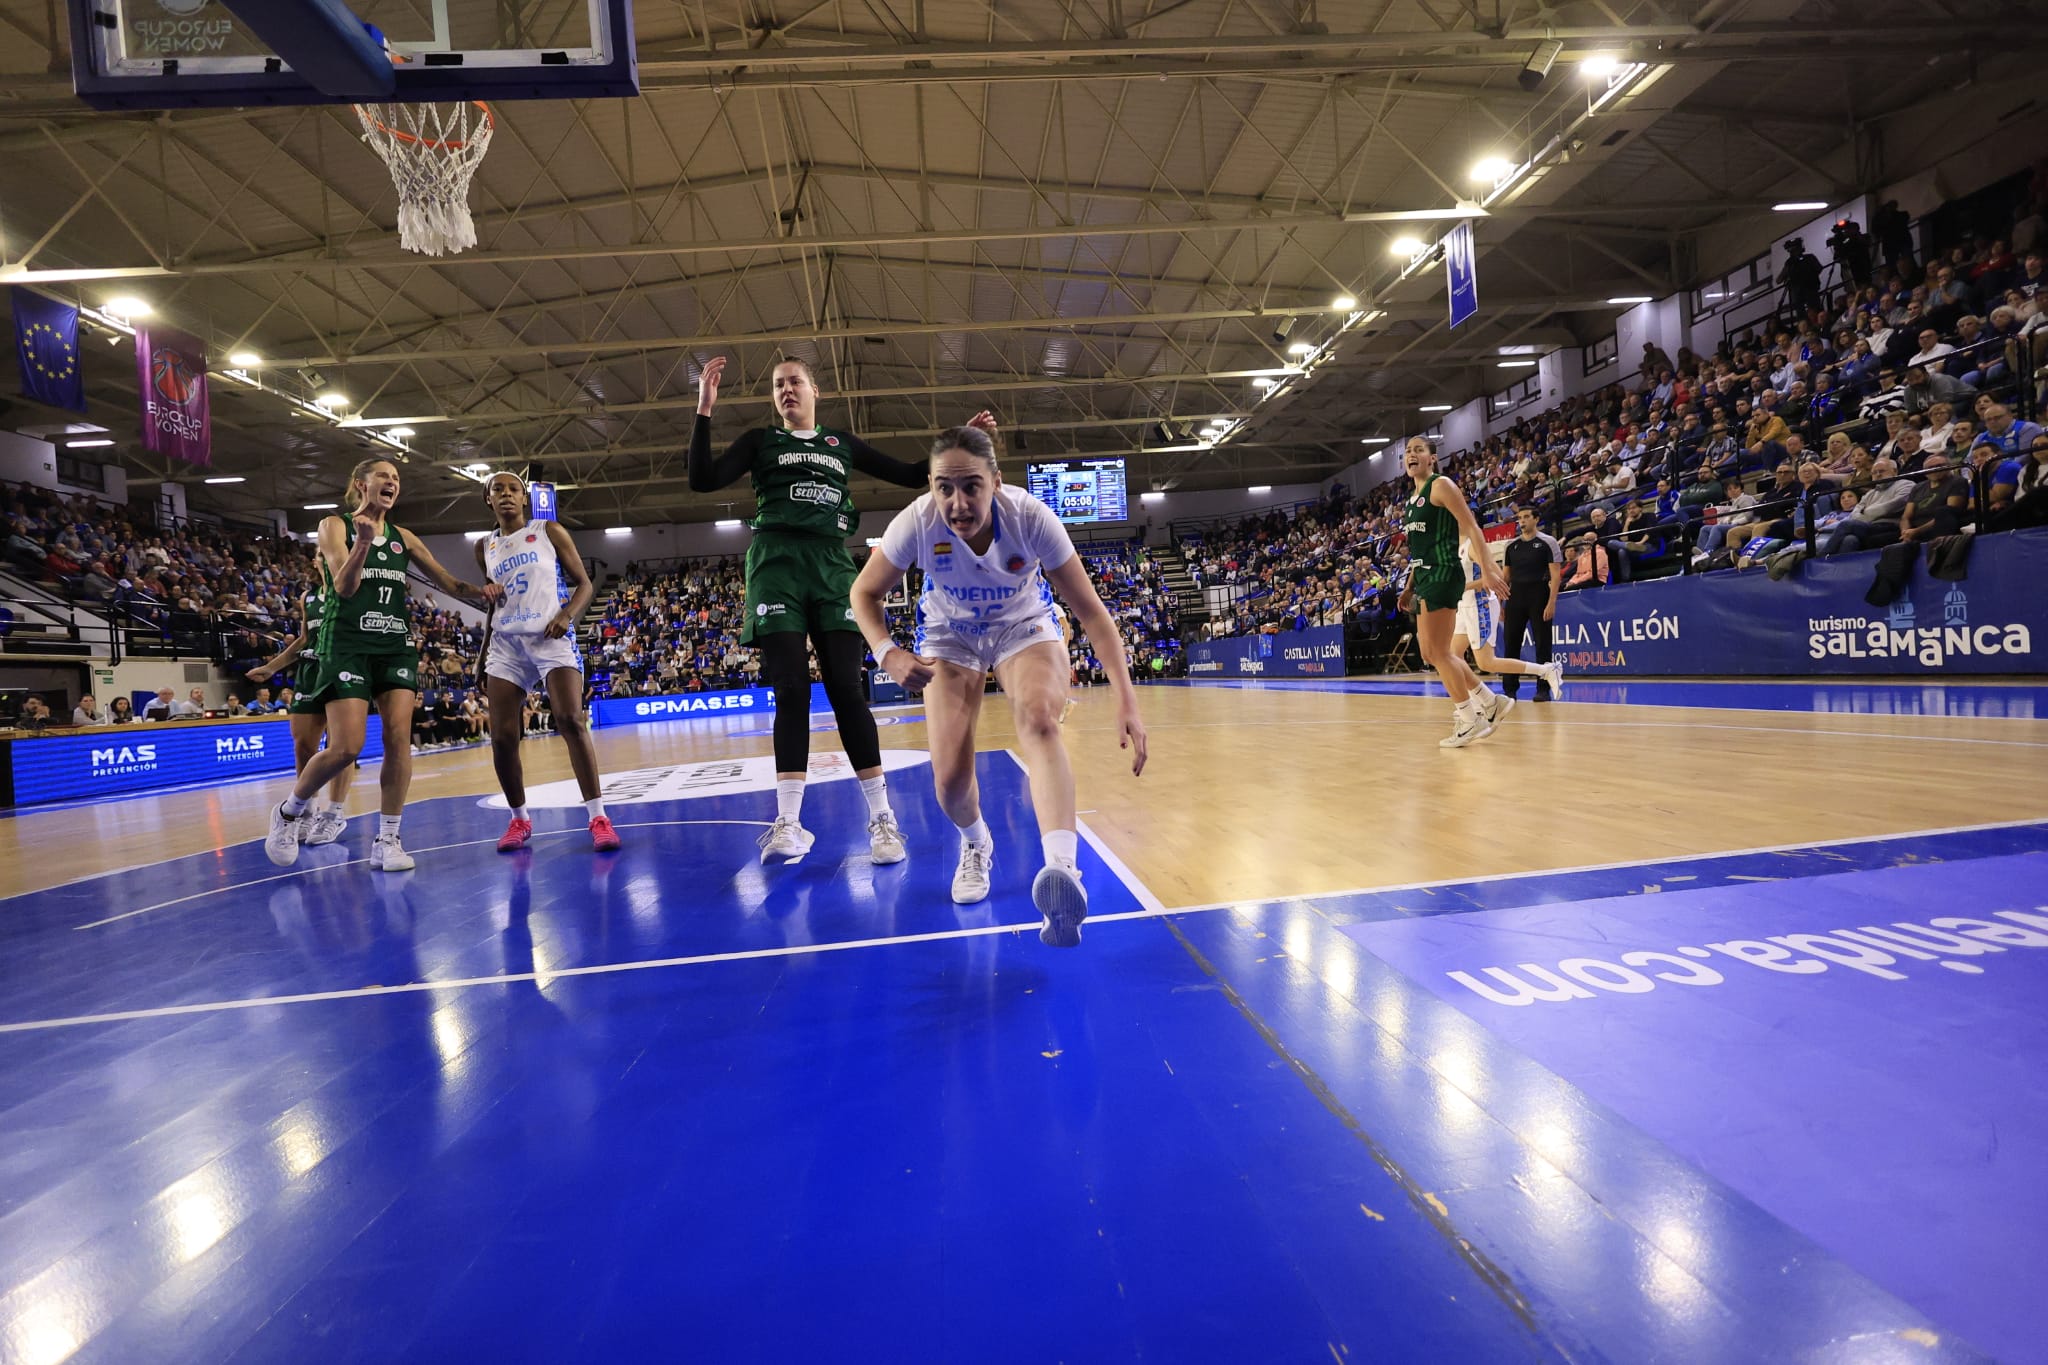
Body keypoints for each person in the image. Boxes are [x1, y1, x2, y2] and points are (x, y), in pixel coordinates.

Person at [849, 424, 1147, 945]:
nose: (957, 502)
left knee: (1038, 719)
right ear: (931, 486)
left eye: (971, 487)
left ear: (996, 482)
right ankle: (977, 842)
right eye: (944, 487)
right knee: (948, 783)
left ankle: (1062, 872)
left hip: (1023, 625)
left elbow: (1093, 615)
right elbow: (863, 593)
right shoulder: (914, 523)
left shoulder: (1031, 517)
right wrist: (887, 652)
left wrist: (1127, 697)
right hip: (949, 635)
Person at [691, 352, 992, 865]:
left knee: (847, 691)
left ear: (815, 392)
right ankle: (788, 821)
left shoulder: (841, 444)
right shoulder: (760, 442)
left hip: (831, 565)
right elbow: (702, 479)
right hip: (775, 563)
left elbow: (908, 473)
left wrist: (959, 440)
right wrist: (704, 410)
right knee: (789, 689)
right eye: (778, 385)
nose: (787, 390)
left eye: (795, 382)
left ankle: (883, 821)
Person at [265, 457, 501, 870]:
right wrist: (362, 542)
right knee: (345, 749)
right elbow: (344, 585)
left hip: (394, 645)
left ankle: (388, 839)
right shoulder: (334, 525)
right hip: (348, 645)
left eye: (396, 478)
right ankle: (289, 812)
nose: (392, 483)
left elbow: (449, 582)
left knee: (398, 738)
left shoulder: (404, 537)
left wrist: (484, 590)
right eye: (384, 476)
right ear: (361, 484)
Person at [476, 471, 619, 854]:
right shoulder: (484, 546)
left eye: (513, 490)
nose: (506, 495)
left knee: (570, 719)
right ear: (488, 500)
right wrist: (481, 656)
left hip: (551, 637)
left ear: (524, 499)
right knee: (503, 738)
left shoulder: (548, 530)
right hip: (506, 645)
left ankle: (598, 817)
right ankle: (519, 820)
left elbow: (584, 583)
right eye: (498, 490)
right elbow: (494, 606)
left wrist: (567, 615)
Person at [1395, 437, 1512, 749]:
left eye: (1419, 449)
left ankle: (1469, 717)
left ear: (1432, 458)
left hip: (1443, 572)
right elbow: (1417, 550)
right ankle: (1489, 702)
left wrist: (1487, 569)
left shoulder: (1441, 484)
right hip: (1424, 576)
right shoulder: (1412, 500)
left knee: (1439, 652)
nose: (1411, 455)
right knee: (1432, 652)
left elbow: (1472, 527)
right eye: (1408, 451)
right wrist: (1408, 586)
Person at [248, 587, 355, 847]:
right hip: (310, 670)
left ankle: (334, 813)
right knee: (303, 745)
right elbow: (305, 638)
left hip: (343, 666)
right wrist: (272, 667)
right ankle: (308, 810)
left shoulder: (356, 586)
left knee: (341, 746)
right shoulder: (309, 596)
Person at [1449, 536, 1564, 708]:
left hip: (1480, 605)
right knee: (1452, 656)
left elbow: (1497, 576)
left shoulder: (1472, 545)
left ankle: (1546, 670)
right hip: (1464, 605)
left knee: (1486, 663)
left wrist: (1463, 586)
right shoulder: (1453, 547)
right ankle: (1475, 704)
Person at [1498, 507, 1565, 702]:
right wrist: (1501, 603)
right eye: (1519, 518)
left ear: (1536, 519)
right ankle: (1509, 690)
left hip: (1539, 596)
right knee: (1511, 645)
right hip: (1515, 598)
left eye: (1526, 517)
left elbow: (1555, 576)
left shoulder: (1548, 542)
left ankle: (1543, 689)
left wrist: (1551, 602)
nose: (1522, 521)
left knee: (1542, 645)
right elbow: (1506, 577)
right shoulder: (1511, 546)